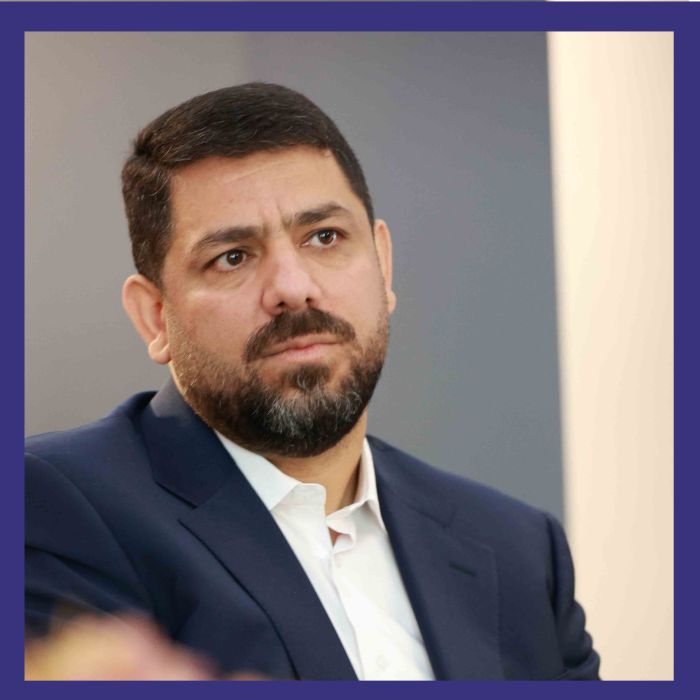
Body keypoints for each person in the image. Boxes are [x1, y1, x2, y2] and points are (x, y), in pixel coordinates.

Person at [25, 83, 599, 681]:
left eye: (324, 237)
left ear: (383, 265)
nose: (293, 288)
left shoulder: (517, 549)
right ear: (154, 316)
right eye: (232, 256)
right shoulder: (48, 507)